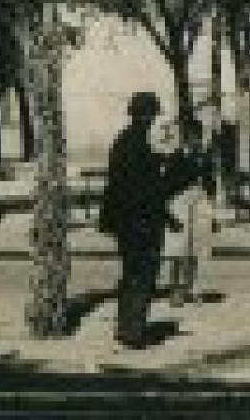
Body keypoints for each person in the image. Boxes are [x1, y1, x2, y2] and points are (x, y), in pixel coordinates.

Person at [99, 93, 196, 348]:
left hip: (124, 220)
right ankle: (134, 332)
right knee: (144, 274)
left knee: (130, 272)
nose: (153, 119)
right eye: (152, 114)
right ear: (148, 115)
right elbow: (156, 187)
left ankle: (125, 328)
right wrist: (181, 164)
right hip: (144, 220)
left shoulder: (121, 141)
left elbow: (120, 186)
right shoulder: (148, 144)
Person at [161, 120, 217, 306]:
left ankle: (193, 289)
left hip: (200, 202)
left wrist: (211, 209)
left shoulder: (204, 158)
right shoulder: (176, 157)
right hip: (179, 202)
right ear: (186, 138)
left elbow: (210, 184)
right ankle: (176, 290)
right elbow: (167, 184)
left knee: (197, 247)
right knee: (178, 248)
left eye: (198, 137)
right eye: (193, 137)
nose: (196, 141)